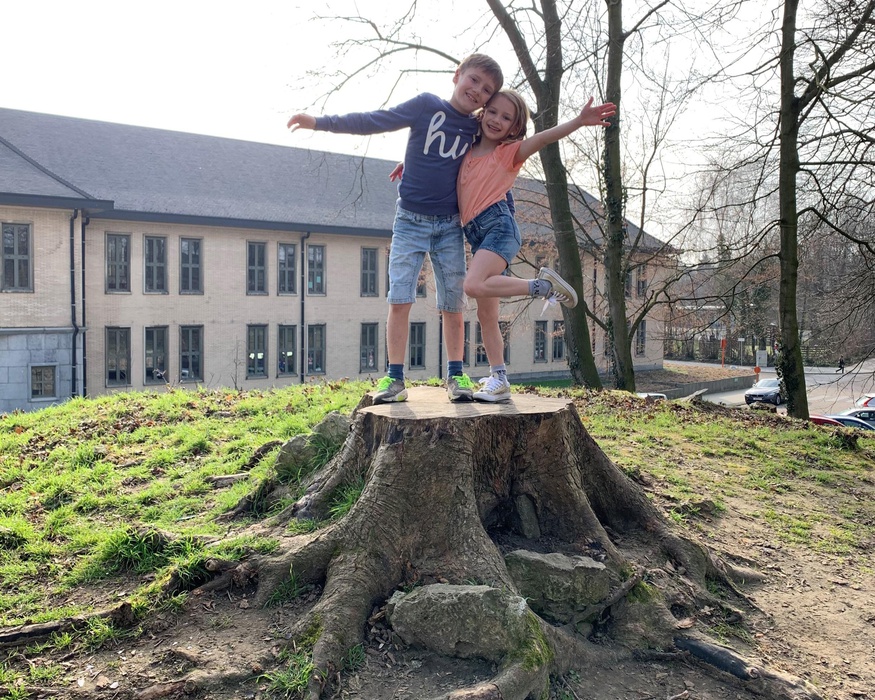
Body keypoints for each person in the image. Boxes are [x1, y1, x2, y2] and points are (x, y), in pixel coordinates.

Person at [287, 54, 504, 404]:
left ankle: (456, 374)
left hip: (450, 225)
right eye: (474, 80)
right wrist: (319, 122)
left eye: (487, 89)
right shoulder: (425, 106)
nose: (478, 91)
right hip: (410, 222)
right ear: (457, 75)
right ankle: (395, 378)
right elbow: (375, 120)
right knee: (400, 298)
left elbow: (496, 154)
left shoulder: (478, 128)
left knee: (453, 302)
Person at [456, 89, 616, 402]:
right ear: (482, 112)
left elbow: (542, 139)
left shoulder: (508, 153)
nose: (497, 120)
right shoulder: (465, 148)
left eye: (506, 118)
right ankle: (499, 378)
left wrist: (579, 121)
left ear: (514, 128)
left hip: (498, 228)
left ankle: (541, 286)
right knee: (487, 315)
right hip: (477, 236)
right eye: (493, 112)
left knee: (474, 285)